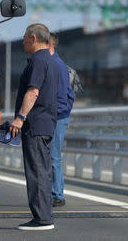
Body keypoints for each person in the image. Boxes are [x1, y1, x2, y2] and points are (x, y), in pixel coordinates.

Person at [9, 23, 58, 231]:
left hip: (35, 124)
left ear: (33, 39)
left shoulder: (38, 61)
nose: (22, 42)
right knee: (43, 172)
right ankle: (44, 215)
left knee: (36, 172)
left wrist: (19, 118)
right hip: (46, 122)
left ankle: (42, 219)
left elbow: (33, 92)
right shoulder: (51, 60)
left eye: (24, 38)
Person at [48, 32, 75, 207]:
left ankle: (58, 194)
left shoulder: (57, 66)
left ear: (49, 45)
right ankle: (54, 193)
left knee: (53, 156)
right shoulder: (53, 64)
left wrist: (52, 115)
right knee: (51, 156)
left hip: (57, 117)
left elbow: (63, 98)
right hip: (55, 116)